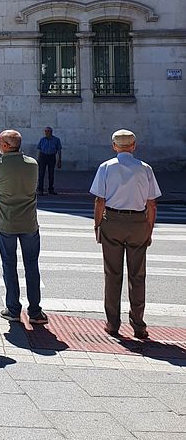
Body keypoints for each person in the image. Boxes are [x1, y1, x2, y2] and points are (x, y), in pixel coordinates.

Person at [90, 129, 161, 340]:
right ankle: (138, 324)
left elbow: (99, 201)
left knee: (112, 274)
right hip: (138, 221)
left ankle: (113, 323)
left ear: (114, 146)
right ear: (134, 146)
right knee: (137, 275)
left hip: (112, 220)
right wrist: (149, 227)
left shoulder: (105, 167)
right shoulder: (145, 168)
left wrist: (97, 225)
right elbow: (152, 204)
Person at [0, 129, 48, 325]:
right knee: (32, 266)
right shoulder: (32, 164)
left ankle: (13, 309)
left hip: (7, 223)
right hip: (29, 222)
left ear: (6, 145)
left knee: (9, 265)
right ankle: (35, 310)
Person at [37, 126, 62, 195]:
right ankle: (40, 189)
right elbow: (39, 149)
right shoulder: (42, 140)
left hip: (51, 157)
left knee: (51, 174)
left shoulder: (56, 140)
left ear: (51, 132)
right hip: (43, 156)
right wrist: (38, 159)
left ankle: (51, 189)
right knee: (41, 173)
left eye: (48, 131)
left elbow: (59, 150)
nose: (47, 133)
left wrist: (59, 160)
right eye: (46, 131)